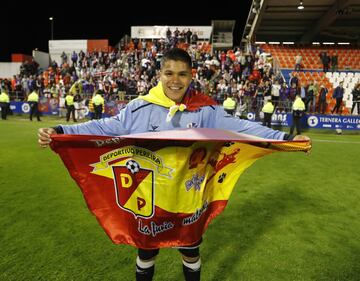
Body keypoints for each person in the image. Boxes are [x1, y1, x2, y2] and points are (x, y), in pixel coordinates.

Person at [38, 48, 310, 281]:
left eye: (182, 74)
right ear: (160, 75)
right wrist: (61, 130)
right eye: (169, 73)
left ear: (191, 76)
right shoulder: (139, 107)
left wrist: (286, 138)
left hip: (189, 199)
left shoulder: (207, 111)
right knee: (146, 251)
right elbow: (104, 126)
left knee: (190, 250)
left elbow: (242, 128)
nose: (175, 80)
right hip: (150, 199)